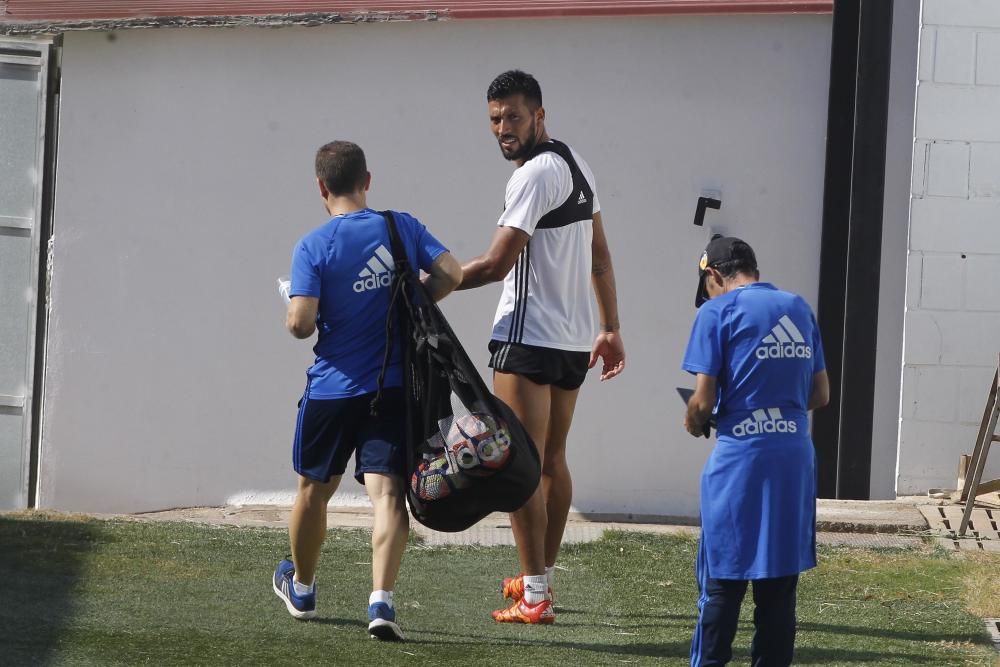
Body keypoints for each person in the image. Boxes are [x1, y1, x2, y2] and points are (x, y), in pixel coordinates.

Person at [272, 140, 462, 641]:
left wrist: (292, 299)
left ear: (321, 187)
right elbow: (452, 273)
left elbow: (300, 325)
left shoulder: (313, 245)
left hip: (334, 390)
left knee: (314, 491)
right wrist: (410, 304)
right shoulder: (401, 227)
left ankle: (304, 589)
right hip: (394, 387)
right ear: (367, 180)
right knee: (389, 493)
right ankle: (382, 601)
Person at [458, 70, 626, 625]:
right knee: (550, 461)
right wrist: (610, 327)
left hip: (528, 340)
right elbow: (599, 254)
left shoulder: (532, 176)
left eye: (512, 117)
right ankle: (539, 581)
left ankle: (534, 596)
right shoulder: (576, 163)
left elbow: (495, 264)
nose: (503, 128)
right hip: (572, 342)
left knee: (520, 469)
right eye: (494, 119)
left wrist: (427, 280)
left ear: (539, 115)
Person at [682, 235, 830, 666]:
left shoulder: (716, 312)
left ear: (713, 276)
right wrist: (776, 407)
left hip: (740, 461)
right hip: (794, 458)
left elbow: (703, 401)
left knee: (723, 584)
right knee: (778, 591)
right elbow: (820, 393)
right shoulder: (798, 307)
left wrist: (694, 420)